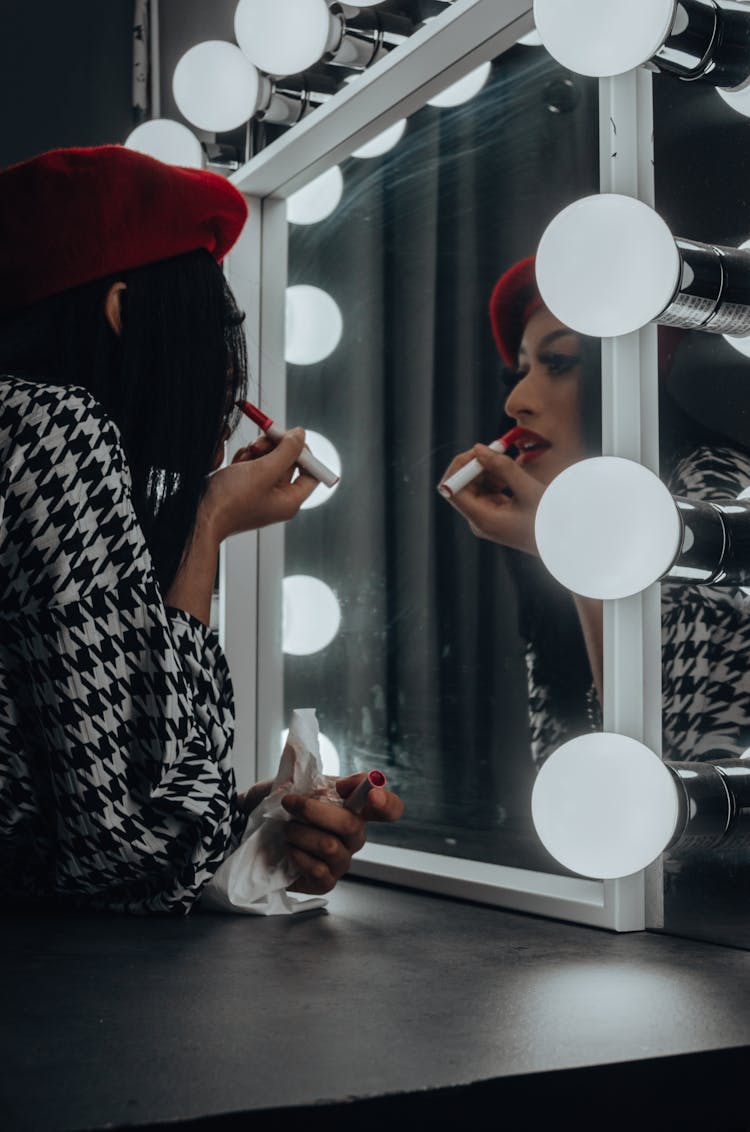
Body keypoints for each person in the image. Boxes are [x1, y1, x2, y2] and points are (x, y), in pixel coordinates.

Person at [0, 145, 403, 915]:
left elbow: (61, 816)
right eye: (215, 327)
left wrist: (252, 823)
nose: (228, 372)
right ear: (122, 310)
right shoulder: (55, 428)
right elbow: (134, 853)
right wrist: (208, 521)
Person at [439, 255, 750, 767]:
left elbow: (666, 777)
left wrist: (568, 552)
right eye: (518, 372)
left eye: (558, 362)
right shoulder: (562, 539)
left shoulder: (711, 492)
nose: (516, 400)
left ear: (625, 377)